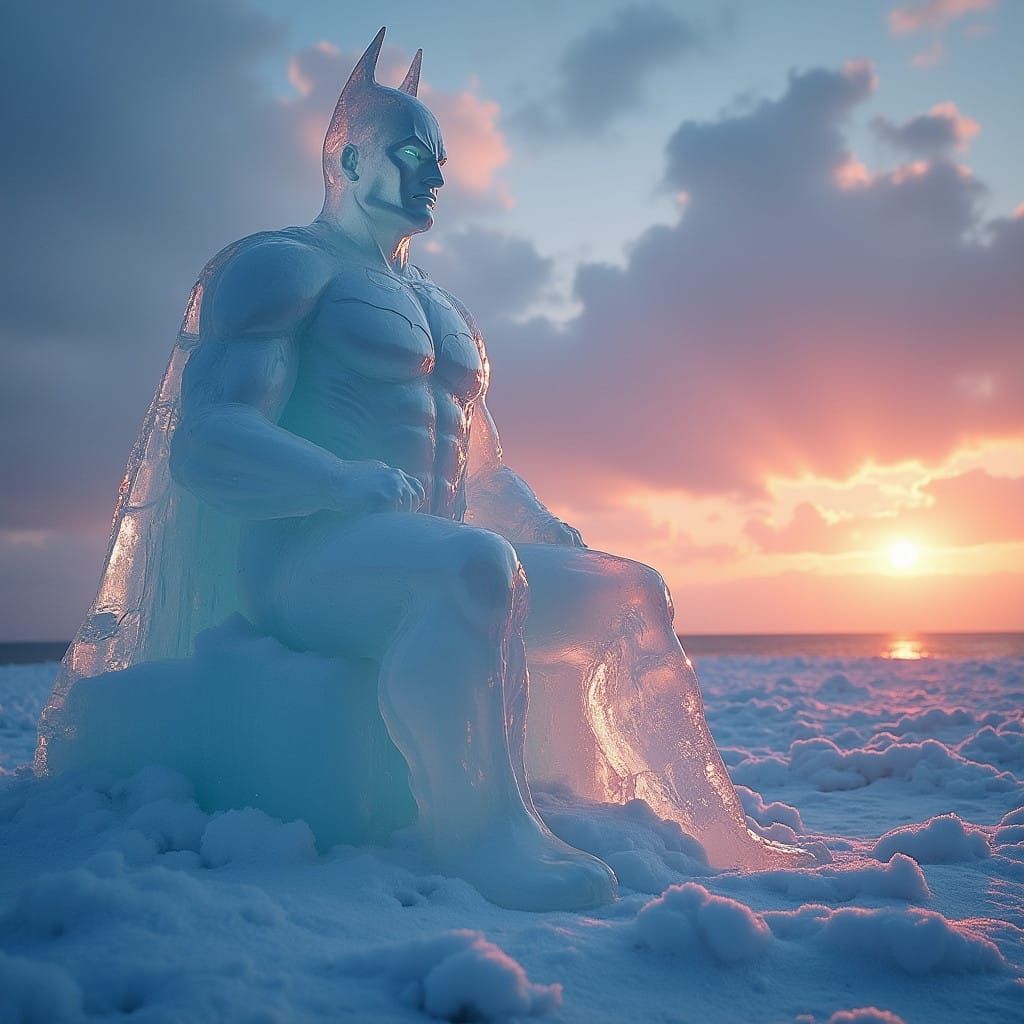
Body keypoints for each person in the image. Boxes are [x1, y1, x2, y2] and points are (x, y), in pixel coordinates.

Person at [38, 29, 806, 912]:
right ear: (351, 159)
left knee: (629, 589)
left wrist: (548, 531)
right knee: (473, 567)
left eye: (440, 159)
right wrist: (330, 479)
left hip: (438, 554)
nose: (435, 176)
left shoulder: (440, 306)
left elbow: (478, 471)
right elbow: (208, 442)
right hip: (307, 562)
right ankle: (481, 835)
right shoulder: (281, 268)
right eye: (413, 155)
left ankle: (712, 826)